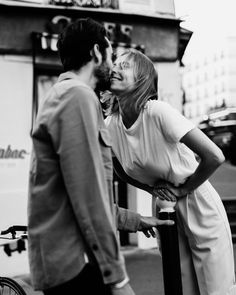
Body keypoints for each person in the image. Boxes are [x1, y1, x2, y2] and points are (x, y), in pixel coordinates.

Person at [27, 18, 174, 295]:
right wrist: (116, 278)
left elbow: (79, 192)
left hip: (68, 259)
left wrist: (136, 220)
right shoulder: (78, 97)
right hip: (75, 263)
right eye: (110, 54)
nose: (113, 64)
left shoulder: (63, 94)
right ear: (96, 53)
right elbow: (89, 196)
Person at [104, 48, 236, 295]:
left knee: (215, 289)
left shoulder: (157, 112)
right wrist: (153, 189)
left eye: (124, 66)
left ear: (142, 79)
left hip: (197, 199)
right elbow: (120, 171)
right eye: (115, 64)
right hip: (165, 204)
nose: (115, 69)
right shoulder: (111, 124)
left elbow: (215, 156)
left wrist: (183, 188)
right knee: (180, 286)